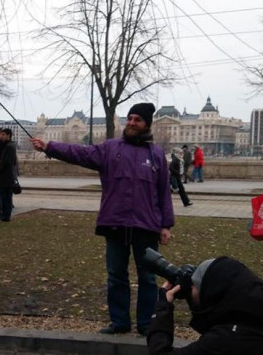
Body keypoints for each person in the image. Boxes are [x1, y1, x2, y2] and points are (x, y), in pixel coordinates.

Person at [30, 102, 173, 336]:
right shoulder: (110, 148)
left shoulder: (156, 154)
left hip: (146, 226)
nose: (131, 123)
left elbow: (163, 191)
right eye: (130, 118)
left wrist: (166, 224)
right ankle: (120, 323)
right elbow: (79, 153)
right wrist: (49, 147)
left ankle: (146, 324)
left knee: (147, 277)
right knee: (116, 275)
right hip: (115, 222)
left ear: (146, 124)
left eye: (137, 119)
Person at [146, 256, 263, 354]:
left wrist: (163, 309)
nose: (191, 289)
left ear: (213, 292)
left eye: (195, 286)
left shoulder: (225, 340)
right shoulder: (258, 317)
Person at [0, 128, 17, 222]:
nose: (1, 136)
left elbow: (7, 162)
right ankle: (6, 216)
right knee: (7, 196)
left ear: (8, 135)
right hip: (8, 175)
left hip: (5, 175)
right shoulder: (10, 146)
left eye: (3, 135)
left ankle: (0, 215)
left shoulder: (9, 147)